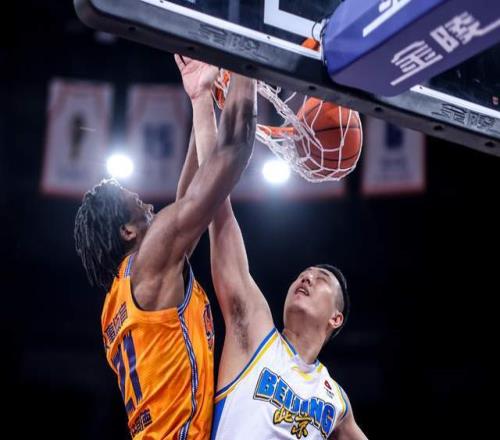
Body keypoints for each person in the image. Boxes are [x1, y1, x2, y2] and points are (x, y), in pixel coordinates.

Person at [73, 56, 256, 439]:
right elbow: (232, 151)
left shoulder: (120, 297)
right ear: (127, 231)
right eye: (136, 202)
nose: (147, 202)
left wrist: (201, 98)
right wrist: (247, 57)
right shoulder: (149, 264)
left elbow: (192, 199)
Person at [187, 67, 369, 440]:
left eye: (320, 279)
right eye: (304, 274)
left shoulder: (336, 402)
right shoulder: (255, 332)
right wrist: (201, 99)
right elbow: (218, 210)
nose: (306, 278)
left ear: (336, 318)